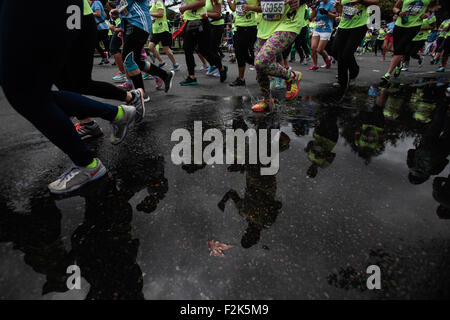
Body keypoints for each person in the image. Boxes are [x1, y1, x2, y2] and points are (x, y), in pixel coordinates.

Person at [0, 0, 138, 194]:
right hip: (67, 10)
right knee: (36, 92)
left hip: (49, 8)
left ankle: (88, 163)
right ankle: (116, 113)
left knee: (27, 93)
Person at [111, 0, 175, 99]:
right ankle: (165, 75)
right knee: (135, 60)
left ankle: (141, 96)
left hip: (138, 23)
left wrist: (119, 9)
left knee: (129, 59)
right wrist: (118, 11)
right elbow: (127, 9)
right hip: (131, 24)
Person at [250, 0, 305, 112]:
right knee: (260, 68)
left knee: (261, 61)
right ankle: (267, 100)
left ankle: (291, 77)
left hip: (288, 22)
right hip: (265, 25)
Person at [381, 0, 438, 83]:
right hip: (399, 25)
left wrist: (428, 14)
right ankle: (398, 66)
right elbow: (395, 8)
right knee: (397, 50)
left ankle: (388, 74)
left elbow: (434, 6)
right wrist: (399, 12)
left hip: (414, 26)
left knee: (400, 48)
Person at [178, 0, 228, 86]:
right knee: (187, 48)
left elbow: (202, 2)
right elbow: (188, 6)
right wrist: (184, 15)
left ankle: (221, 67)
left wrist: (184, 8)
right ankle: (191, 77)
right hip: (190, 22)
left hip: (202, 22)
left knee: (204, 50)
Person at [333, 0, 379, 91]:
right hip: (344, 25)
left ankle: (348, 76)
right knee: (335, 51)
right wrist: (337, 6)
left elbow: (375, 2)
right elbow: (342, 10)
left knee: (346, 54)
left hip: (359, 25)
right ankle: (345, 77)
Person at [226, 0, 259, 86]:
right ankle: (241, 78)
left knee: (246, 54)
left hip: (250, 27)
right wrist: (229, 2)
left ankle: (262, 69)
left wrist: (249, 7)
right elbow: (234, 9)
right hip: (238, 27)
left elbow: (263, 8)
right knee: (240, 54)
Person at [149, 0, 180, 72]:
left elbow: (161, 14)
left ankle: (175, 64)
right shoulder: (154, 3)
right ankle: (161, 62)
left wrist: (149, 13)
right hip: (156, 30)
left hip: (162, 29)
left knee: (166, 49)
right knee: (151, 46)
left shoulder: (158, 2)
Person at [308, 0, 337, 71]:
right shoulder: (319, 4)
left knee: (319, 50)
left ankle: (328, 57)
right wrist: (314, 8)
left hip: (326, 29)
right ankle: (315, 65)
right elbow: (311, 17)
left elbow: (335, 16)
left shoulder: (332, 3)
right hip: (318, 28)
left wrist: (326, 12)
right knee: (313, 48)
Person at [90, 0, 110, 65]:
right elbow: (105, 15)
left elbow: (98, 14)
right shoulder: (97, 3)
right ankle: (105, 57)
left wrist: (89, 13)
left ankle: (105, 56)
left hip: (101, 27)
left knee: (95, 42)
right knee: (101, 43)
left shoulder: (96, 2)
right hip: (101, 27)